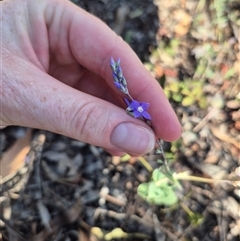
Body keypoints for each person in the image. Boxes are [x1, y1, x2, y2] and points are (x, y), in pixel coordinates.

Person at [1, 0, 181, 157]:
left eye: (139, 109)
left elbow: (140, 109)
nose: (139, 107)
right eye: (139, 108)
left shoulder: (140, 109)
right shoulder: (137, 108)